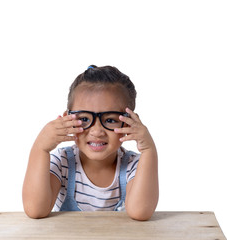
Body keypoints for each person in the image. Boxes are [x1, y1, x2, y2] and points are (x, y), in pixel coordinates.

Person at [22, 65, 159, 220]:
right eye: (85, 119)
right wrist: (40, 148)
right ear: (68, 120)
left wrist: (149, 150)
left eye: (110, 120)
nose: (97, 131)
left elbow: (140, 212)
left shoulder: (133, 166)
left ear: (129, 123)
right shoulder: (63, 162)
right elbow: (35, 210)